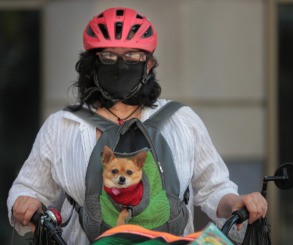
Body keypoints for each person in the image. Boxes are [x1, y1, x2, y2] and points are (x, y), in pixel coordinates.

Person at [7, 6, 267, 245]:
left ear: (149, 64)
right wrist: (25, 203)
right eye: (108, 56)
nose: (121, 65)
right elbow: (28, 189)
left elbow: (215, 188)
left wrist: (236, 202)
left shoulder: (181, 120)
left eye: (132, 55)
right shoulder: (63, 126)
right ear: (92, 65)